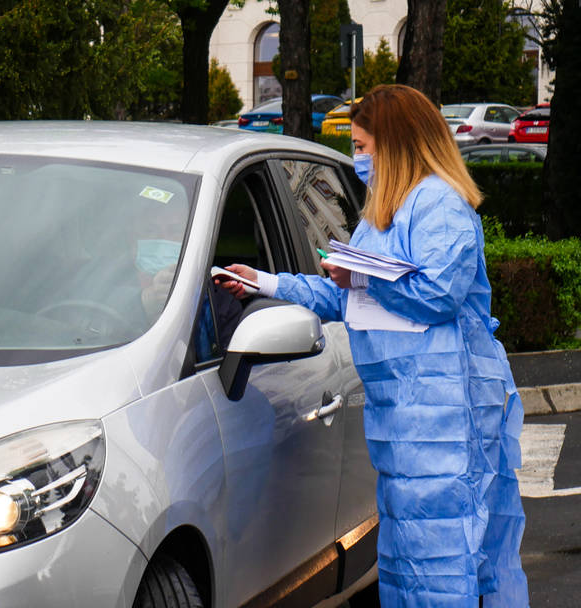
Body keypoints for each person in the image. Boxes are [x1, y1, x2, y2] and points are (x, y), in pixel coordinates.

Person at [222, 84, 528, 607]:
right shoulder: (382, 215)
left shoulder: (440, 205)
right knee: (410, 565)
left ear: (398, 143)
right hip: (405, 420)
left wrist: (363, 277)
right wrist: (267, 283)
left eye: (363, 147)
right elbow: (347, 297)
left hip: (449, 417)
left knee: (450, 561)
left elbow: (437, 293)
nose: (356, 158)